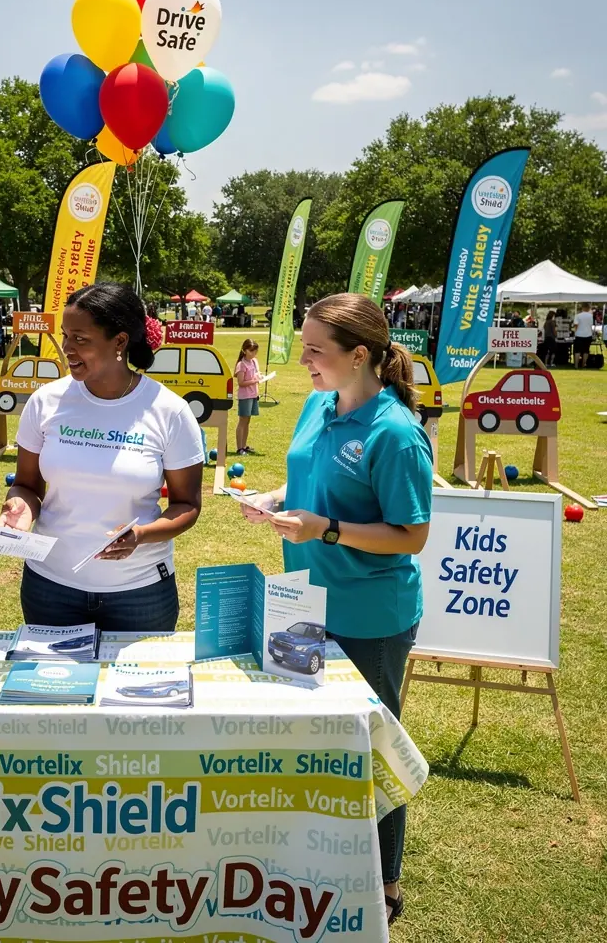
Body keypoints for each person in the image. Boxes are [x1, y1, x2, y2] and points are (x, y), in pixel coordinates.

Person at [239, 292, 432, 926]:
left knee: (371, 748)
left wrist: (325, 529)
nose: (303, 361)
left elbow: (411, 535)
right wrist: (275, 497)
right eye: (304, 347)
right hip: (306, 600)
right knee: (318, 740)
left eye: (315, 350)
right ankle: (323, 858)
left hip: (370, 615)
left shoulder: (395, 433)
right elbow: (309, 479)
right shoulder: (317, 405)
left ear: (359, 355)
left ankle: (385, 882)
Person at [0, 282, 204, 631]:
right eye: (65, 336)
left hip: (139, 593)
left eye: (80, 339)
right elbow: (26, 485)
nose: (67, 349)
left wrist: (141, 535)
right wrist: (20, 508)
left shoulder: (169, 411)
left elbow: (187, 506)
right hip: (50, 588)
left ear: (119, 342)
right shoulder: (46, 402)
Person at [234, 338, 263, 456]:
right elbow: (241, 382)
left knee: (247, 421)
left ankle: (244, 445)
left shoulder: (254, 361)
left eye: (255, 351)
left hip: (253, 394)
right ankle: (239, 448)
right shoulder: (241, 364)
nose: (254, 354)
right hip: (245, 396)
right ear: (244, 350)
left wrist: (260, 376)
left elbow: (256, 373)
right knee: (242, 421)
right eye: (251, 351)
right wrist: (254, 381)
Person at [573, 303, 594, 369]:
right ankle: (583, 364)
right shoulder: (590, 316)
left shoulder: (578, 315)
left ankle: (576, 365)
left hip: (579, 334)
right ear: (588, 308)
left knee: (577, 350)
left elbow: (576, 325)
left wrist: (575, 332)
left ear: (582, 308)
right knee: (586, 350)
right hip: (588, 334)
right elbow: (591, 325)